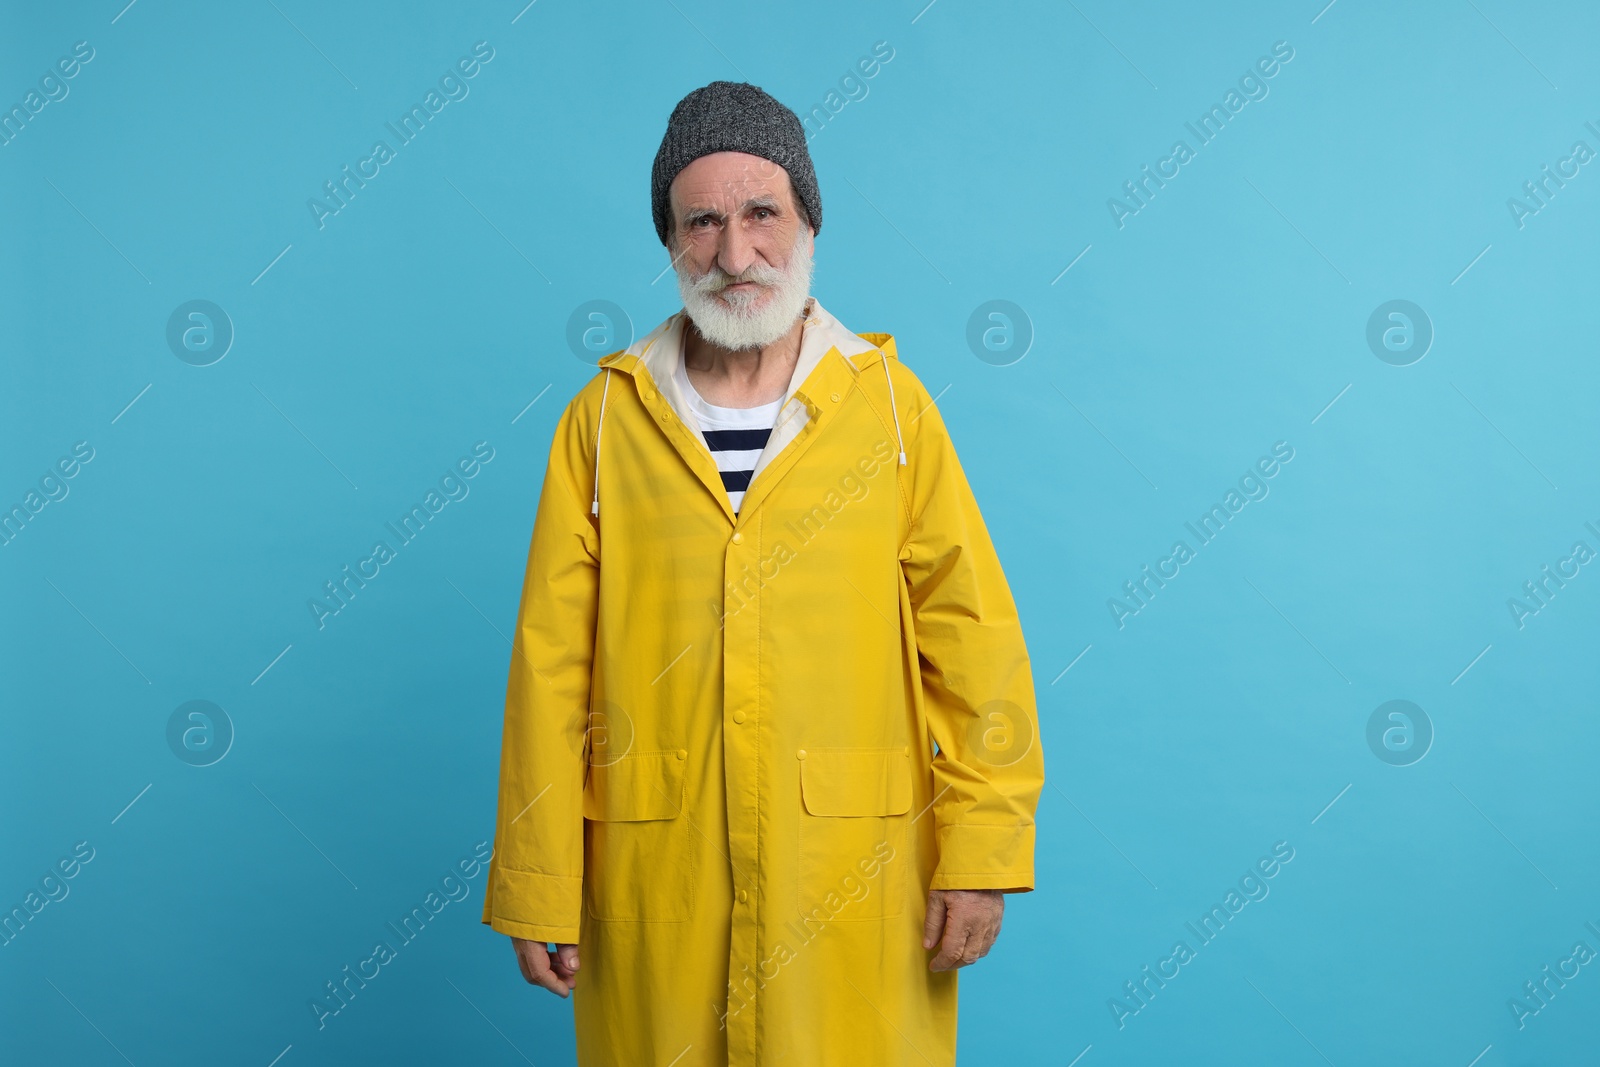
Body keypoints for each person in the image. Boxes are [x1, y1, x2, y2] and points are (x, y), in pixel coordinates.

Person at [481, 79, 1044, 1066]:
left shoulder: (891, 413)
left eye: (760, 214)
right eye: (700, 221)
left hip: (855, 875)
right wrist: (536, 877)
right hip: (658, 874)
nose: (733, 254)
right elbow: (550, 670)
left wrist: (984, 853)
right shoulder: (603, 424)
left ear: (809, 220)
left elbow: (974, 641)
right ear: (668, 239)